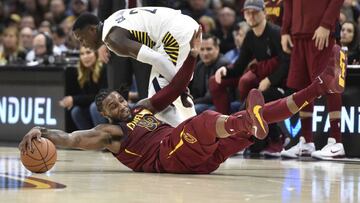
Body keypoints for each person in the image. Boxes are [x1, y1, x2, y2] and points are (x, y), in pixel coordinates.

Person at [19, 40, 346, 174]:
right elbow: (74, 139)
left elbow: (176, 86)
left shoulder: (143, 106)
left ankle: (316, 88)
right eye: (113, 105)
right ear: (105, 113)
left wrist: (189, 56)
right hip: (167, 157)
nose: (120, 106)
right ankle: (249, 120)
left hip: (200, 160)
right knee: (205, 119)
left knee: (247, 119)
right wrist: (43, 131)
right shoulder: (110, 133)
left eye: (120, 100)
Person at [72, 7, 200, 127]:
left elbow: (157, 59)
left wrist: (181, 88)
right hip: (184, 25)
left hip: (175, 34)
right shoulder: (113, 19)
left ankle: (191, 141)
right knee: (168, 97)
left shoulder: (114, 39)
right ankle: (196, 133)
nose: (82, 44)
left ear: (92, 30)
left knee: (158, 101)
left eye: (81, 39)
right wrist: (179, 87)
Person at [280, 0, 344, 159]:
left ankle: (336, 141)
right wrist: (285, 30)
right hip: (298, 34)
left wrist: (326, 24)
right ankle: (307, 141)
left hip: (320, 31)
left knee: (329, 84)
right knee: (302, 87)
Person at [59, 46, 107, 130]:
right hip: (94, 109)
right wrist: (73, 101)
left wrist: (74, 99)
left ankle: (104, 139)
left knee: (94, 107)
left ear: (96, 54)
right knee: (76, 111)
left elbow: (100, 97)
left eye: (88, 52)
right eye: (82, 54)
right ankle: (89, 141)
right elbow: (86, 97)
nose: (85, 57)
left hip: (107, 108)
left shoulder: (104, 69)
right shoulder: (84, 74)